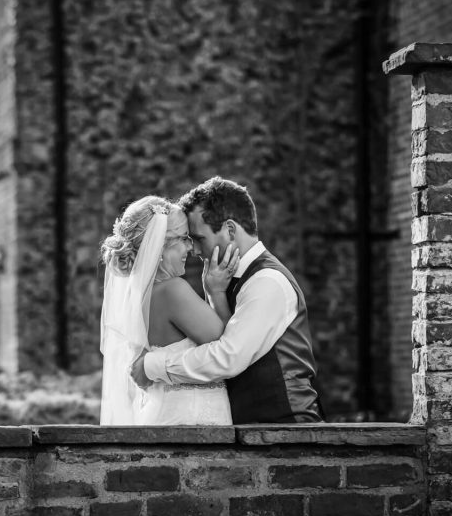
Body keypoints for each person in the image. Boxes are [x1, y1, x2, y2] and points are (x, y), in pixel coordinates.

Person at [129, 177, 324, 423]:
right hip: (250, 429)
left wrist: (152, 366)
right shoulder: (221, 280)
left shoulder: (267, 281)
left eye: (199, 238)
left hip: (286, 425)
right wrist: (215, 294)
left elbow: (228, 357)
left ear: (230, 230)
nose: (194, 251)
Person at [99, 195, 233, 425]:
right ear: (159, 245)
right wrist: (216, 292)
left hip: (163, 415)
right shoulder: (173, 291)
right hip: (192, 421)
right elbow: (229, 347)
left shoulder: (136, 296)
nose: (190, 247)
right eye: (183, 238)